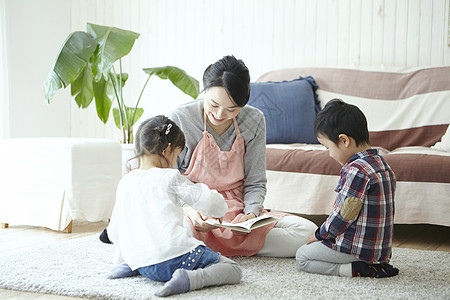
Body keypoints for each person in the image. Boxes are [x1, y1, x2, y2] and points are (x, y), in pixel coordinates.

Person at [169, 55, 317, 257]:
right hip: (196, 212)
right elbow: (170, 180)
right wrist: (189, 210)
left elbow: (256, 181)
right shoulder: (181, 118)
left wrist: (251, 214)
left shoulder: (254, 119)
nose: (220, 114)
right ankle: (233, 247)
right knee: (175, 236)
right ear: (204, 91)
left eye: (232, 109)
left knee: (307, 231)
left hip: (236, 214)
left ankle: (213, 248)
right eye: (213, 104)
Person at [105, 115, 242, 297]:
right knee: (233, 269)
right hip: (177, 259)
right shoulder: (169, 177)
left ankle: (127, 267)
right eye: (177, 155)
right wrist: (220, 208)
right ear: (167, 149)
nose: (176, 161)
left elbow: (115, 230)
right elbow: (210, 202)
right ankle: (189, 279)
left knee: (148, 247)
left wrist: (120, 259)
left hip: (143, 264)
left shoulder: (125, 182)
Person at [295, 99, 399, 278]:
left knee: (303, 256)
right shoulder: (382, 165)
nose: (329, 154)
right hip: (380, 251)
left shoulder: (356, 170)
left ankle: (358, 269)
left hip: (358, 250)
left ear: (344, 140)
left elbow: (344, 215)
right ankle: (373, 265)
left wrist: (320, 235)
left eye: (328, 147)